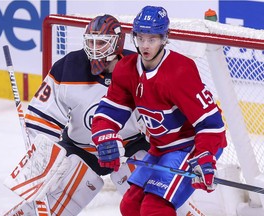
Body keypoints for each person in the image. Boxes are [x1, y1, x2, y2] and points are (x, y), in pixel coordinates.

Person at [4, 14, 149, 216]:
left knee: (154, 201)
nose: (95, 49)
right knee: (47, 207)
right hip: (81, 149)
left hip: (129, 146)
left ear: (117, 44)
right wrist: (42, 157)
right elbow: (42, 119)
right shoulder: (69, 67)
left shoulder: (140, 69)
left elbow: (157, 120)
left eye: (101, 43)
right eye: (91, 42)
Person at [91, 6, 227, 216]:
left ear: (165, 38)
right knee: (130, 206)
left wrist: (204, 156)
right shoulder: (126, 68)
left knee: (154, 209)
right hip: (160, 148)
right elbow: (110, 110)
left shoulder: (179, 72)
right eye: (141, 38)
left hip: (190, 148)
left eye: (152, 39)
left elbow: (212, 125)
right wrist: (104, 135)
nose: (145, 46)